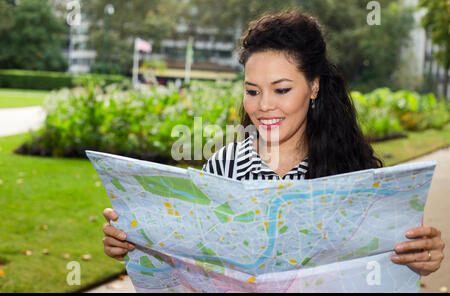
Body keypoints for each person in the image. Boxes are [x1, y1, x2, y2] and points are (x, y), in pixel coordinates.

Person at [102, 9, 444, 277]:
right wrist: (137, 243)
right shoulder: (222, 167)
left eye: (281, 89)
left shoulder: (355, 173)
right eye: (252, 91)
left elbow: (379, 267)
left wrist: (418, 258)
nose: (264, 105)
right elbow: (191, 262)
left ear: (314, 87)